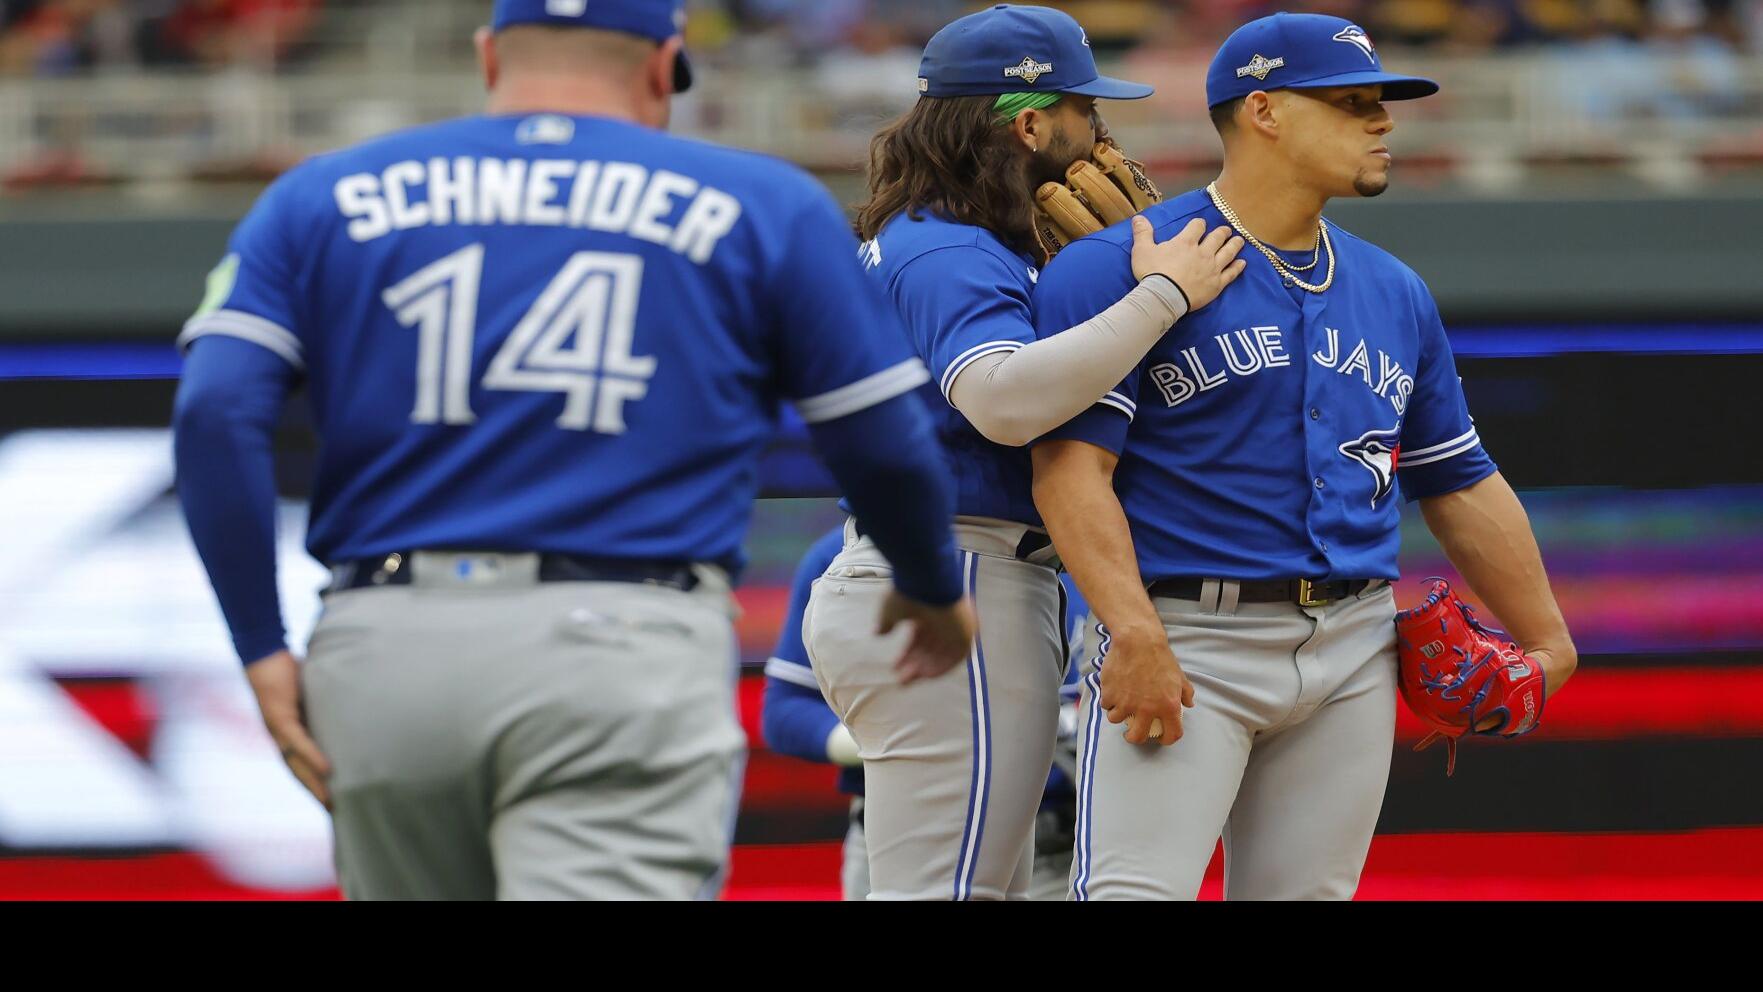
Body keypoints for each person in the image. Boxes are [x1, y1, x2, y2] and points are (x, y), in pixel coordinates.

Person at [171, 0, 974, 901]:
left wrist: (258, 643)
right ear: (662, 64)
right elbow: (884, 441)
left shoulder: (320, 192)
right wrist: (929, 582)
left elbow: (213, 413)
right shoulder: (762, 200)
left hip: (384, 643)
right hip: (618, 637)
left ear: (487, 56)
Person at [1029, 12, 1578, 900]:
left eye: (1380, 104)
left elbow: (1457, 478)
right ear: (1264, 112)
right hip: (1186, 639)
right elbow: (1068, 471)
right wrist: (1130, 632)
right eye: (1351, 102)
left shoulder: (1393, 290)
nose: (1382, 122)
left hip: (1354, 647)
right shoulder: (1125, 266)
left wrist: (1549, 643)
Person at [802, 3, 1245, 901]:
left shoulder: (953, 238)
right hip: (961, 570)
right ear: (1031, 122)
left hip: (972, 572)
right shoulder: (944, 251)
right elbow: (1001, 403)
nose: (1099, 134)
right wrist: (1159, 295)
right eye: (1085, 109)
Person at [765, 527, 1088, 900]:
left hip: (1068, 844)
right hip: (906, 825)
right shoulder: (855, 548)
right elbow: (783, 712)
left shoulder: (1092, 559)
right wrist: (903, 739)